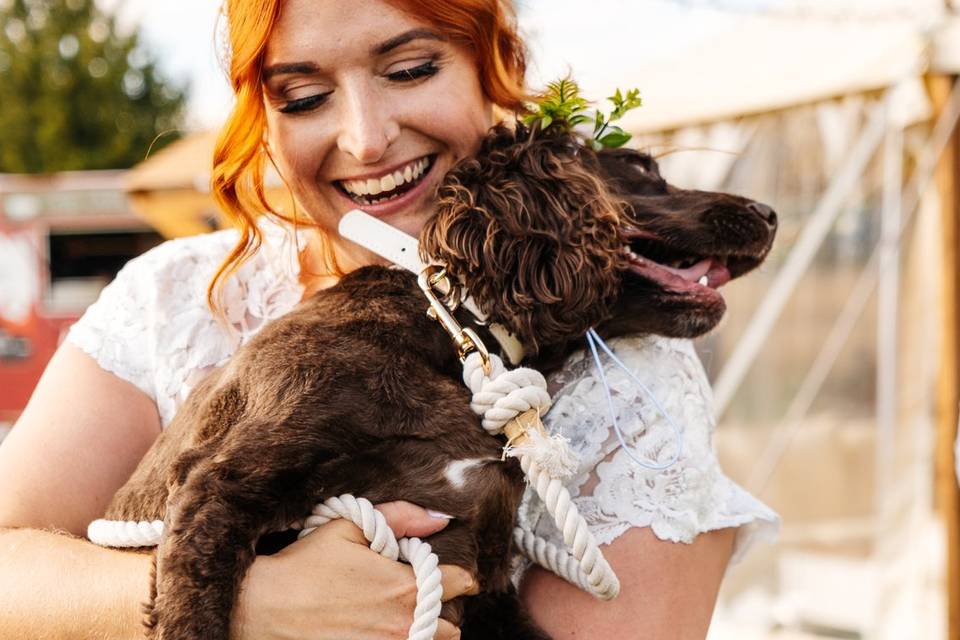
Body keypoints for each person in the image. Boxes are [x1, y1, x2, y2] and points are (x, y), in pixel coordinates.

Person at [0, 0, 779, 638]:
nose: (366, 139)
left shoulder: (625, 377)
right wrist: (249, 605)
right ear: (261, 119)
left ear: (493, 66)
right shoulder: (179, 298)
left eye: (409, 70)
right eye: (303, 97)